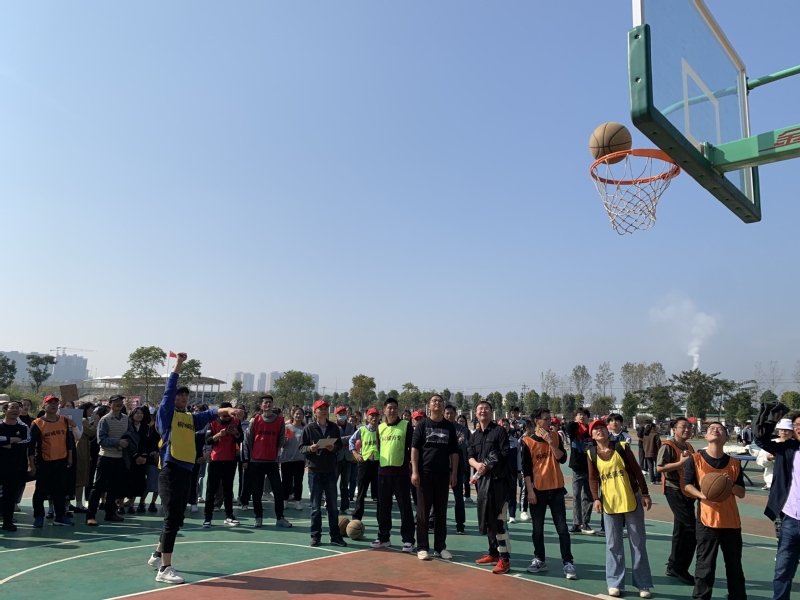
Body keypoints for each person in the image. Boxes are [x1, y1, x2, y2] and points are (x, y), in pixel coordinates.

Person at [147, 353, 243, 584]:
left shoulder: (190, 418)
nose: (182, 397)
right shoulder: (166, 415)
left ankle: (157, 555)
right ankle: (165, 569)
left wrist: (227, 411)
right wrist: (178, 365)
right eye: (179, 394)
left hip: (186, 471)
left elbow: (209, 414)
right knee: (172, 519)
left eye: (185, 395)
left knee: (177, 518)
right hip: (170, 470)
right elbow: (168, 391)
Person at [588, 419, 653, 598]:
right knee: (613, 544)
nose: (599, 431)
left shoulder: (621, 447)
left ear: (607, 431)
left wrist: (645, 493)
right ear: (592, 435)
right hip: (609, 503)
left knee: (637, 543)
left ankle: (643, 584)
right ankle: (614, 582)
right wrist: (596, 498)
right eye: (595, 429)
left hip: (631, 498)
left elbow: (637, 471)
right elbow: (593, 479)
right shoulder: (591, 453)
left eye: (602, 428)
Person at [683, 422, 746, 600]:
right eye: (711, 428)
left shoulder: (734, 463)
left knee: (734, 566)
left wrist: (729, 485)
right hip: (707, 521)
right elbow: (687, 485)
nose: (715, 430)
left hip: (731, 522)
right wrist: (702, 495)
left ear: (726, 437)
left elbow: (741, 493)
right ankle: (701, 597)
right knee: (705, 565)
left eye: (720, 429)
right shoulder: (695, 459)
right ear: (705, 436)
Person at [521, 408, 576, 580]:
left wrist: (551, 442)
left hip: (556, 489)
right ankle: (540, 559)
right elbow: (526, 470)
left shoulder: (556, 437)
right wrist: (530, 491)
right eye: (545, 419)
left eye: (550, 419)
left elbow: (562, 458)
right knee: (537, 529)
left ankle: (568, 562)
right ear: (536, 421)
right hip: (538, 491)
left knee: (562, 529)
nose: (549, 422)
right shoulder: (527, 442)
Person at [756, 412, 800, 600]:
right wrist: (771, 417)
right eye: (797, 425)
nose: (799, 428)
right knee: (783, 569)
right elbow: (760, 439)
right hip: (791, 519)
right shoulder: (786, 448)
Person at [411, 394, 459, 561]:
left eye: (440, 401)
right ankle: (422, 547)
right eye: (434, 401)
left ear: (443, 406)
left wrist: (454, 473)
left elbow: (454, 452)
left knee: (441, 512)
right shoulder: (422, 425)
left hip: (443, 475)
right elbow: (415, 449)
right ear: (429, 406)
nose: (437, 403)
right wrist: (415, 471)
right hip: (424, 474)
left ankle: (440, 547)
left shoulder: (449, 426)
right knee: (423, 513)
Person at [469, 400, 513, 574]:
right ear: (475, 413)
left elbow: (505, 453)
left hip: (498, 482)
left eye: (486, 408)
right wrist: (477, 465)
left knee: (500, 520)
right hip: (482, 483)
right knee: (488, 519)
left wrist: (487, 465)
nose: (483, 411)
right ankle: (493, 553)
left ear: (491, 412)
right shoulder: (475, 435)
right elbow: (470, 455)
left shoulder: (499, 431)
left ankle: (504, 559)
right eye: (480, 409)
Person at [655, 416, 696, 586]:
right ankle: (681, 568)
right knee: (691, 529)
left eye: (689, 427)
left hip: (687, 490)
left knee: (680, 529)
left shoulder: (689, 446)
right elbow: (659, 468)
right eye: (683, 427)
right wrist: (680, 463)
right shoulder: (668, 446)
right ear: (674, 429)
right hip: (674, 490)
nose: (687, 429)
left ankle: (673, 565)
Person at [300, 399, 346, 547]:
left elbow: (339, 444)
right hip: (315, 472)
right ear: (315, 412)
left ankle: (335, 536)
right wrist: (310, 449)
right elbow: (301, 447)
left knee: (332, 506)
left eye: (326, 408)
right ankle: (316, 536)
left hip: (331, 471)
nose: (324, 411)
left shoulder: (334, 427)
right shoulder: (309, 428)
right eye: (321, 409)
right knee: (315, 507)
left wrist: (334, 448)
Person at [371, 397, 415, 553]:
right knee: (383, 507)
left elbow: (412, 447)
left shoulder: (406, 426)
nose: (392, 410)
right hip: (383, 473)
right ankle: (384, 537)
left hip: (401, 473)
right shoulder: (380, 428)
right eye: (389, 408)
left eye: (395, 407)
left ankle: (408, 540)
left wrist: (412, 467)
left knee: (405, 507)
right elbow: (379, 448)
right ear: (384, 411)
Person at [242, 395, 291, 529]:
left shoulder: (279, 420)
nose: (268, 404)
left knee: (278, 491)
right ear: (261, 406)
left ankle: (280, 518)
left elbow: (281, 439)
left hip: (272, 461)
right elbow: (249, 439)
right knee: (256, 492)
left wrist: (275, 451)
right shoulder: (255, 420)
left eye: (270, 402)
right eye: (265, 403)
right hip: (256, 461)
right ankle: (258, 517)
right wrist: (255, 452)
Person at [86, 394, 136, 525]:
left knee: (114, 487)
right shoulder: (105, 420)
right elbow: (101, 440)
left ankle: (110, 513)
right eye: (116, 401)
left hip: (120, 458)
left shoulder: (126, 419)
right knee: (98, 486)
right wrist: (118, 442)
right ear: (109, 404)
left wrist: (128, 443)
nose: (119, 403)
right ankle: (90, 515)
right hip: (106, 457)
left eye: (121, 401)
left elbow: (131, 434)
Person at [28, 395, 74, 527]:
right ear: (44, 406)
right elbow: (31, 446)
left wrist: (70, 457)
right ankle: (39, 516)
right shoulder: (37, 423)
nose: (53, 405)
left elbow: (69, 440)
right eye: (50, 403)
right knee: (41, 490)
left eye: (55, 403)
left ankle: (60, 517)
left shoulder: (64, 420)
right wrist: (31, 464)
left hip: (61, 460)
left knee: (60, 490)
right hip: (44, 462)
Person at [203, 402, 243, 528]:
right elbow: (208, 440)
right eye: (224, 414)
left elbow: (241, 439)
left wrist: (236, 433)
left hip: (230, 460)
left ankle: (229, 516)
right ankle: (207, 518)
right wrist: (218, 435)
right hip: (215, 460)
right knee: (211, 491)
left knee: (228, 490)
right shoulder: (212, 423)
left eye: (228, 414)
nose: (226, 417)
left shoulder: (236, 422)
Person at [0, 401, 30, 532]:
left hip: (14, 467)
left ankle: (8, 522)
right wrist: (11, 440)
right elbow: (16, 442)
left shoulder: (23, 428)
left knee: (10, 495)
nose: (15, 410)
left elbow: (25, 442)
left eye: (17, 408)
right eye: (12, 408)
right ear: (4, 410)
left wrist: (5, 443)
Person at [567, 408, 595, 534]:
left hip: (590, 468)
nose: (582, 417)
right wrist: (576, 423)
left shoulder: (592, 431)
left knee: (588, 496)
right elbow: (569, 427)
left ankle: (585, 523)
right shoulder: (574, 430)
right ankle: (576, 524)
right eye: (579, 415)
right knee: (576, 495)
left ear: (588, 417)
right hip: (577, 468)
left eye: (584, 415)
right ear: (575, 417)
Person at [350, 407, 380, 522]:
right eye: (372, 415)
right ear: (367, 418)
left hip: (378, 463)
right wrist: (355, 453)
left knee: (379, 494)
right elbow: (351, 441)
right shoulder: (362, 430)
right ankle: (357, 517)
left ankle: (381, 519)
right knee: (361, 492)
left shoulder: (382, 429)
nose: (374, 418)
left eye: (376, 415)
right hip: (365, 464)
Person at [445, 404, 471, 534]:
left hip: (458, 467)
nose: (449, 415)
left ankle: (460, 525)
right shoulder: (440, 427)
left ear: (455, 414)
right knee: (438, 498)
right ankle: (433, 523)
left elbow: (460, 443)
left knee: (459, 498)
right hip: (442, 466)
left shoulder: (462, 429)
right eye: (447, 413)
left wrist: (445, 443)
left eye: (451, 413)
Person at [280, 407, 307, 512]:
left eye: (300, 414)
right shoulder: (286, 427)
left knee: (298, 481)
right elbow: (281, 443)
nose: (298, 416)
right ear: (293, 415)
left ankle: (298, 502)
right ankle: (284, 501)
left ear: (303, 416)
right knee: (285, 481)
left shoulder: (305, 429)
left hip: (299, 459)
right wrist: (284, 439)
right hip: (286, 459)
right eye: (297, 414)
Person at [73, 403, 99, 513]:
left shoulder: (81, 420)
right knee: (81, 477)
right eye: (90, 409)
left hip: (82, 448)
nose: (92, 412)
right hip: (81, 449)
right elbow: (92, 432)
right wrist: (96, 423)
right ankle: (79, 503)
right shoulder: (83, 420)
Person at [333, 406, 356, 515]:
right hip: (336, 458)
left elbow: (353, 439)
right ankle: (332, 505)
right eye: (340, 413)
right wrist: (346, 439)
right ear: (336, 415)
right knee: (332, 483)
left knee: (345, 484)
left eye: (344, 413)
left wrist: (341, 440)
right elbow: (334, 441)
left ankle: (344, 506)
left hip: (348, 458)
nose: (342, 415)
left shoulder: (351, 426)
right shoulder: (333, 427)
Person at [500, 418, 520, 523]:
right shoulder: (497, 440)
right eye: (503, 425)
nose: (505, 427)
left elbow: (518, 457)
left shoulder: (515, 441)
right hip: (500, 472)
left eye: (506, 425)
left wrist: (519, 470)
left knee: (512, 493)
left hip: (512, 471)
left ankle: (512, 515)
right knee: (501, 494)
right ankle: (501, 515)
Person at [457, 415, 474, 505]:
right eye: (460, 421)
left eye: (463, 421)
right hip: (457, 458)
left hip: (466, 458)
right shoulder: (454, 430)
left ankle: (467, 495)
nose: (461, 423)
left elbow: (470, 444)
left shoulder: (467, 432)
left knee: (466, 477)